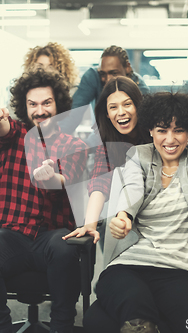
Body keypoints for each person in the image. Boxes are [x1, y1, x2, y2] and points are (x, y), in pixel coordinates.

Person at [83, 92, 188, 333]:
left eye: (178, 130)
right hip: (130, 265)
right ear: (150, 130)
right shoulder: (138, 155)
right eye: (161, 130)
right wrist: (123, 215)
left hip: (181, 269)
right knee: (102, 320)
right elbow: (132, 187)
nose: (170, 139)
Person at [0, 67, 88, 333]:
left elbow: (69, 179)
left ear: (59, 104)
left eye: (47, 103)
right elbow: (2, 130)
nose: (40, 110)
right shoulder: (15, 136)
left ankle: (61, 326)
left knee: (65, 248)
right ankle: (0, 327)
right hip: (11, 234)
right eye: (32, 104)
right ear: (24, 107)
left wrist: (51, 179)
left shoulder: (74, 145)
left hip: (52, 236)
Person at [63, 76, 151, 243]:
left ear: (139, 106)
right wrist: (90, 224)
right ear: (107, 114)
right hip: (122, 220)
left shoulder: (155, 134)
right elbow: (99, 183)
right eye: (113, 107)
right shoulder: (107, 143)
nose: (121, 112)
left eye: (127, 104)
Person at [59, 45, 150, 146]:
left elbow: (147, 128)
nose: (108, 79)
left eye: (114, 73)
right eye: (103, 74)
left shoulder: (141, 90)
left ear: (127, 67)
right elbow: (73, 114)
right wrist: (54, 142)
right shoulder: (93, 77)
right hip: (107, 135)